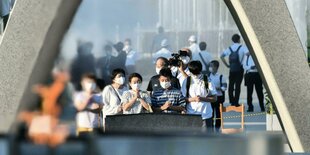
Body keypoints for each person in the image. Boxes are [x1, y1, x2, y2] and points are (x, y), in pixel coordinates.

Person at [181, 61, 217, 132]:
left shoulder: (207, 80)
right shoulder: (187, 81)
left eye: (197, 73)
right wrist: (193, 99)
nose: (195, 75)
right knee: (191, 139)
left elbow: (215, 98)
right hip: (191, 114)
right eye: (193, 73)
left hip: (206, 115)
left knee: (206, 139)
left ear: (200, 70)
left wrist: (202, 98)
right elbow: (182, 99)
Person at [220, 34, 247, 106]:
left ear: (232, 40)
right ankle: (236, 102)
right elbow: (248, 54)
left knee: (231, 85)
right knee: (238, 86)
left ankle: (231, 101)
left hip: (232, 69)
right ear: (239, 39)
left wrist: (227, 65)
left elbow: (221, 56)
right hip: (239, 69)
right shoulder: (242, 48)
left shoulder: (229, 48)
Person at [208, 60, 227, 131]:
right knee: (211, 114)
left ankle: (217, 129)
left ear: (216, 67)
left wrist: (217, 88)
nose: (210, 67)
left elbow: (224, 88)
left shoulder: (221, 76)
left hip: (219, 98)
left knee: (219, 115)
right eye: (209, 66)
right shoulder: (208, 76)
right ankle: (211, 129)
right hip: (211, 98)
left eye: (211, 66)